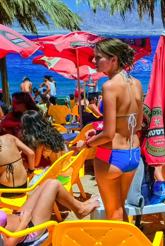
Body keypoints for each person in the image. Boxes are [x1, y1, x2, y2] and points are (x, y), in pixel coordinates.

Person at [77, 38, 143, 221]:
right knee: (120, 207)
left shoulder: (109, 86)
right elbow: (137, 125)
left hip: (112, 156)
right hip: (133, 153)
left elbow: (108, 134)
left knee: (113, 212)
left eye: (98, 57)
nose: (94, 61)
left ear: (113, 59)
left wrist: (87, 143)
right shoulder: (136, 83)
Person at [0, 179, 100, 246]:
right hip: (28, 230)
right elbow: (9, 244)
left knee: (48, 181)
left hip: (19, 217)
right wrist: (24, 222)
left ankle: (80, 206)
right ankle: (80, 209)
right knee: (54, 185)